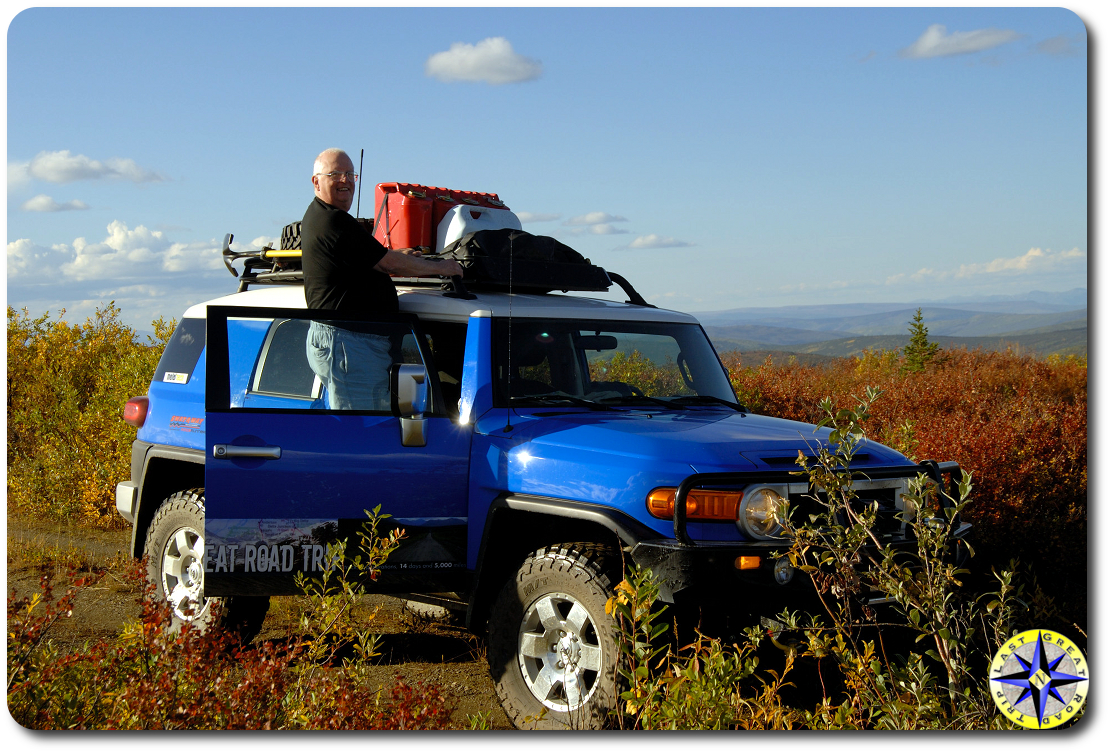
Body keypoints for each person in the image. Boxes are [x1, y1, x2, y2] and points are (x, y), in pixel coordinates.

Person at [302, 148, 463, 410]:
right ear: (316, 181)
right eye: (335, 174)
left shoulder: (328, 218)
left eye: (350, 174)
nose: (345, 181)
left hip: (352, 345)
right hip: (349, 345)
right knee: (362, 434)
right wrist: (443, 267)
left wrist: (400, 255)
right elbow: (387, 263)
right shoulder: (332, 221)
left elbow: (377, 257)